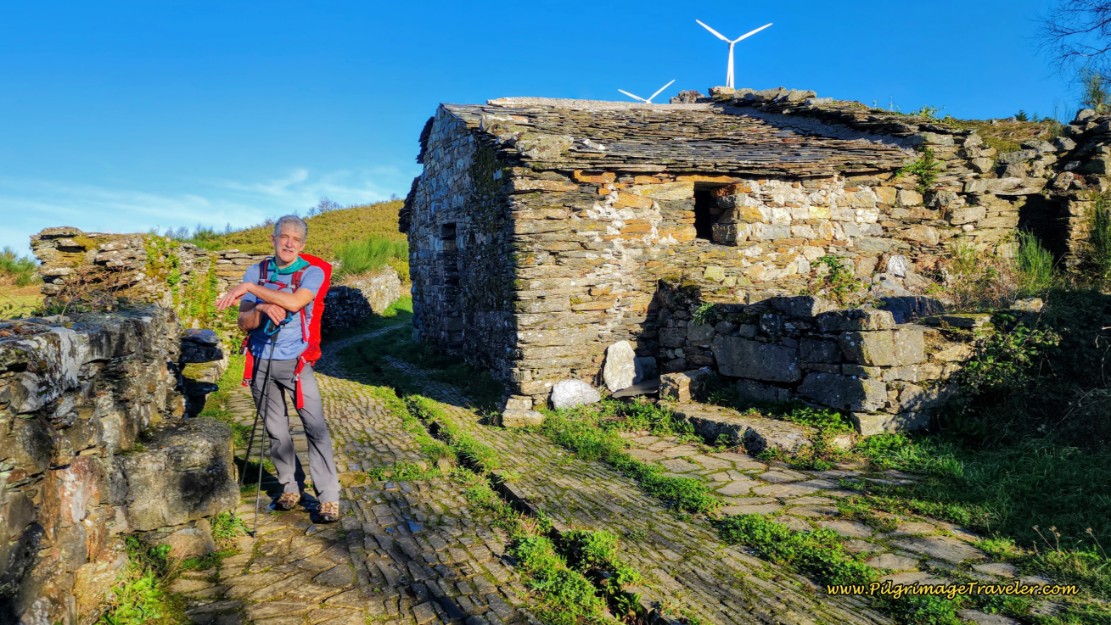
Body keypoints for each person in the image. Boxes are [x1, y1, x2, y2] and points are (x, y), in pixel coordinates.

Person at [215, 215, 341, 523]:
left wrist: (251, 290)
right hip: (260, 361)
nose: (289, 243)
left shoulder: (311, 273)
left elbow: (297, 303)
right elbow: (244, 322)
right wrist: (260, 306)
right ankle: (290, 488)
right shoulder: (257, 271)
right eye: (284, 237)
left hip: (296, 364)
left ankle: (329, 498)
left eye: (296, 239)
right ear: (273, 239)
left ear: (303, 245)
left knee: (315, 427)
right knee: (276, 430)